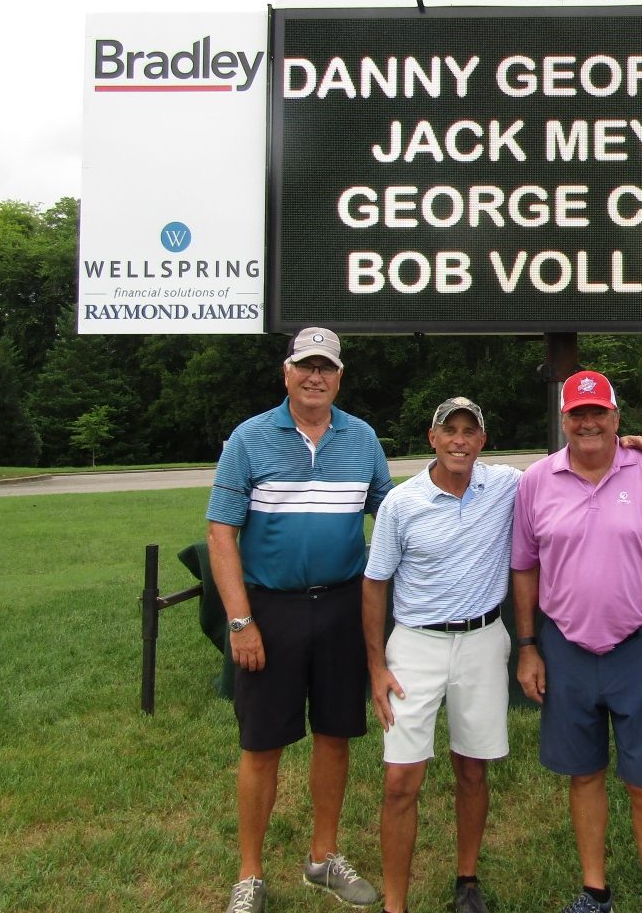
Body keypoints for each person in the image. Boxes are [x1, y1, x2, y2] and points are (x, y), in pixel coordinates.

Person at [364, 395, 642, 913]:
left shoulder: (507, 485)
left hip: (482, 640)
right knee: (400, 779)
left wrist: (622, 445)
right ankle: (395, 904)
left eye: (469, 432)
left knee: (472, 769)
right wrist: (376, 666)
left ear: (483, 440)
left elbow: (571, 463)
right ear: (432, 438)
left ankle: (467, 880)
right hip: (415, 643)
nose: (459, 441)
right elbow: (374, 585)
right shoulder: (401, 502)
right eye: (449, 431)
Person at [207, 327, 393, 913]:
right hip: (272, 608)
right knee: (262, 743)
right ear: (286, 373)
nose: (316, 377)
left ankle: (323, 857)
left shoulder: (361, 437)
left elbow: (391, 515)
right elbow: (221, 532)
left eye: (326, 368)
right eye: (306, 366)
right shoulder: (249, 438)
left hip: (341, 606)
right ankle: (250, 874)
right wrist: (241, 621)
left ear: (339, 377)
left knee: (335, 735)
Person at [511, 370, 642, 913]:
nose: (589, 422)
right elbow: (524, 567)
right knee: (584, 774)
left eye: (599, 412)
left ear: (617, 417)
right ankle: (595, 891)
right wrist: (528, 646)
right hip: (565, 648)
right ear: (564, 420)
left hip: (639, 647)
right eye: (578, 413)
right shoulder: (536, 481)